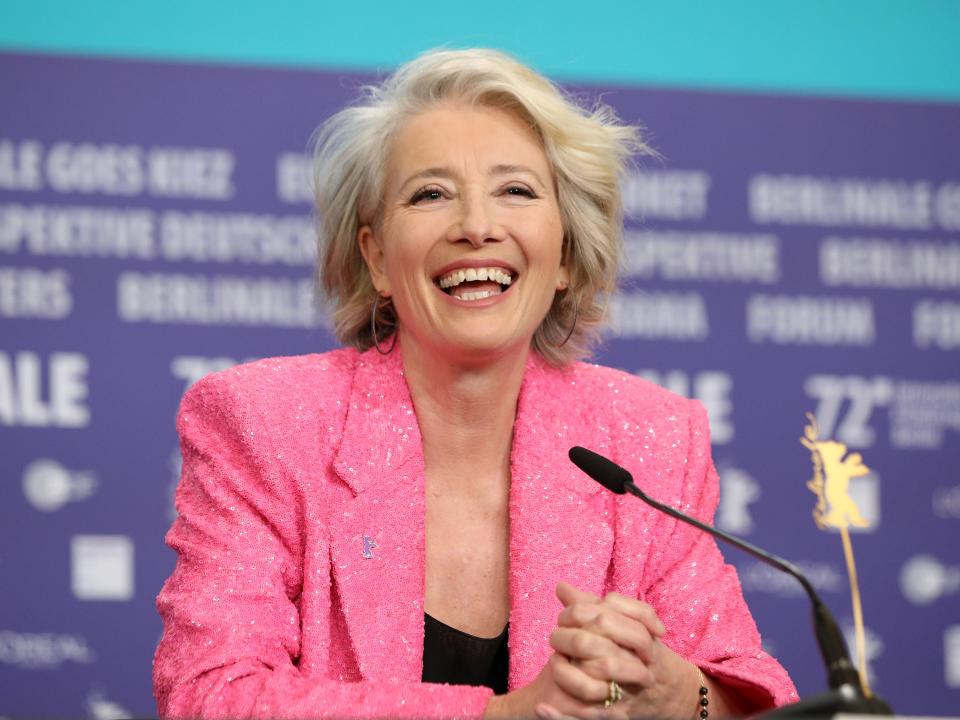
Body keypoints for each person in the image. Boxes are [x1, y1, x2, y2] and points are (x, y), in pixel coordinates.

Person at [153, 48, 797, 718]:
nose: (477, 227)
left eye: (515, 191)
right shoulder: (265, 423)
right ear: (375, 257)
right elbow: (210, 694)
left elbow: (747, 694)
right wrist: (503, 716)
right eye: (431, 194)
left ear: (567, 257)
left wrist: (675, 694)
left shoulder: (646, 439)